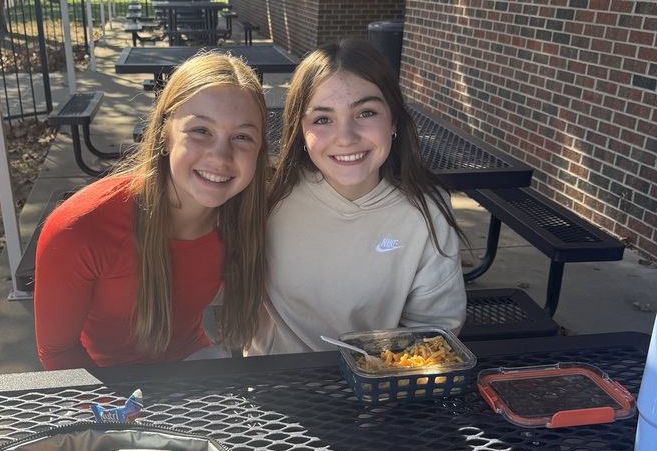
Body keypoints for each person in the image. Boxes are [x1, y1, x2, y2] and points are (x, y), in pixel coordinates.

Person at [34, 50, 268, 370]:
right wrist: (126, 414)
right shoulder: (78, 228)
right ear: (164, 135)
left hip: (192, 363)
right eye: (201, 130)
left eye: (242, 136)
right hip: (103, 385)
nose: (221, 156)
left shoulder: (249, 219)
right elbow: (58, 353)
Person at [250, 38, 466, 355]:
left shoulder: (427, 211)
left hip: (379, 388)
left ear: (394, 121)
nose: (346, 137)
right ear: (301, 131)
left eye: (365, 113)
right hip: (276, 385)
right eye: (323, 119)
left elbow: (435, 328)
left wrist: (380, 391)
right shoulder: (266, 198)